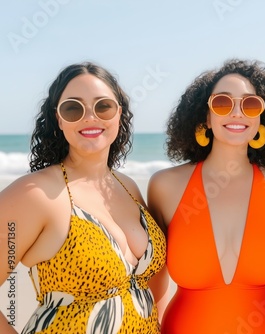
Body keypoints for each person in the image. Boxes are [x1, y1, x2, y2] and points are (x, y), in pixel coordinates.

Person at [0, 62, 167, 334]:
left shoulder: (128, 187)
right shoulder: (36, 195)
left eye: (103, 106)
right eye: (73, 108)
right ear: (59, 119)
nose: (90, 117)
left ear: (119, 114)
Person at [147, 58, 265, 333]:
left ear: (262, 116)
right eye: (223, 103)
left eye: (249, 104)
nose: (237, 113)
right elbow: (154, 282)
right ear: (206, 116)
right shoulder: (165, 186)